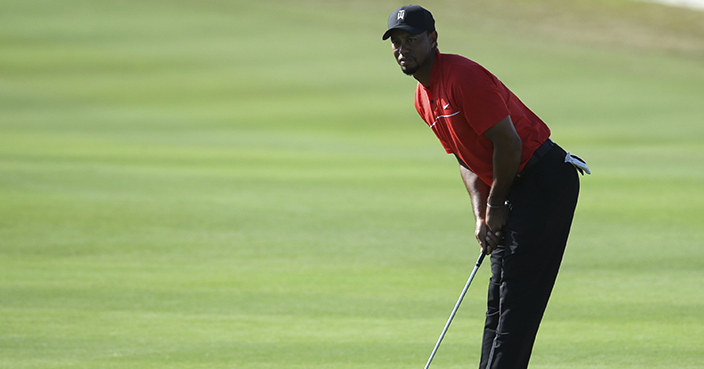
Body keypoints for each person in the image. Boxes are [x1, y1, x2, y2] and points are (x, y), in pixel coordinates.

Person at [382, 5, 590, 369]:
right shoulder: (423, 97)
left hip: (543, 180)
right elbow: (464, 157)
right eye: (397, 43)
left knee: (516, 303)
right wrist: (481, 213)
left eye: (411, 40)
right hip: (512, 187)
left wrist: (495, 206)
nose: (403, 49)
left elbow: (508, 144)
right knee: (499, 298)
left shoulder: (461, 76)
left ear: (433, 39)